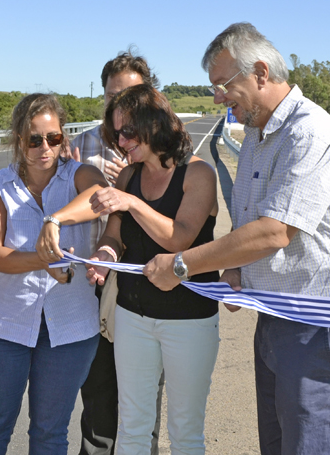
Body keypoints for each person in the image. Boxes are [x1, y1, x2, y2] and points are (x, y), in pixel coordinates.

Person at [144, 22, 330, 455]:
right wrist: (235, 267)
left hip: (325, 320)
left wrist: (182, 265)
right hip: (279, 313)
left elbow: (276, 230)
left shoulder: (309, 132)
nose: (217, 97)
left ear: (259, 72)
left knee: (316, 445)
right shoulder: (256, 133)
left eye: (222, 85)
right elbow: (250, 222)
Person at [79, 84, 220, 455]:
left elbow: (180, 238)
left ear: (154, 123)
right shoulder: (129, 176)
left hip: (188, 320)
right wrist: (104, 257)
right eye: (116, 134)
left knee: (185, 429)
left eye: (128, 131)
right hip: (132, 315)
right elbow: (114, 236)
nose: (122, 142)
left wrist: (131, 203)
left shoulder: (198, 174)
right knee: (133, 425)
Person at [0, 93, 108, 455]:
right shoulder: (0, 184)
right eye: (34, 139)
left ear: (63, 138)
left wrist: (55, 220)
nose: (45, 147)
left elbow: (101, 195)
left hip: (71, 329)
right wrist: (43, 260)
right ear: (19, 141)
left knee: (50, 433)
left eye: (54, 138)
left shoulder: (80, 175)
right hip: (3, 326)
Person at [69, 50, 162, 455]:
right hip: (96, 286)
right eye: (112, 96)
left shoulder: (167, 149)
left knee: (142, 405)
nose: (119, 105)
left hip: (149, 289)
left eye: (131, 94)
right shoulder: (78, 146)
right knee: (99, 398)